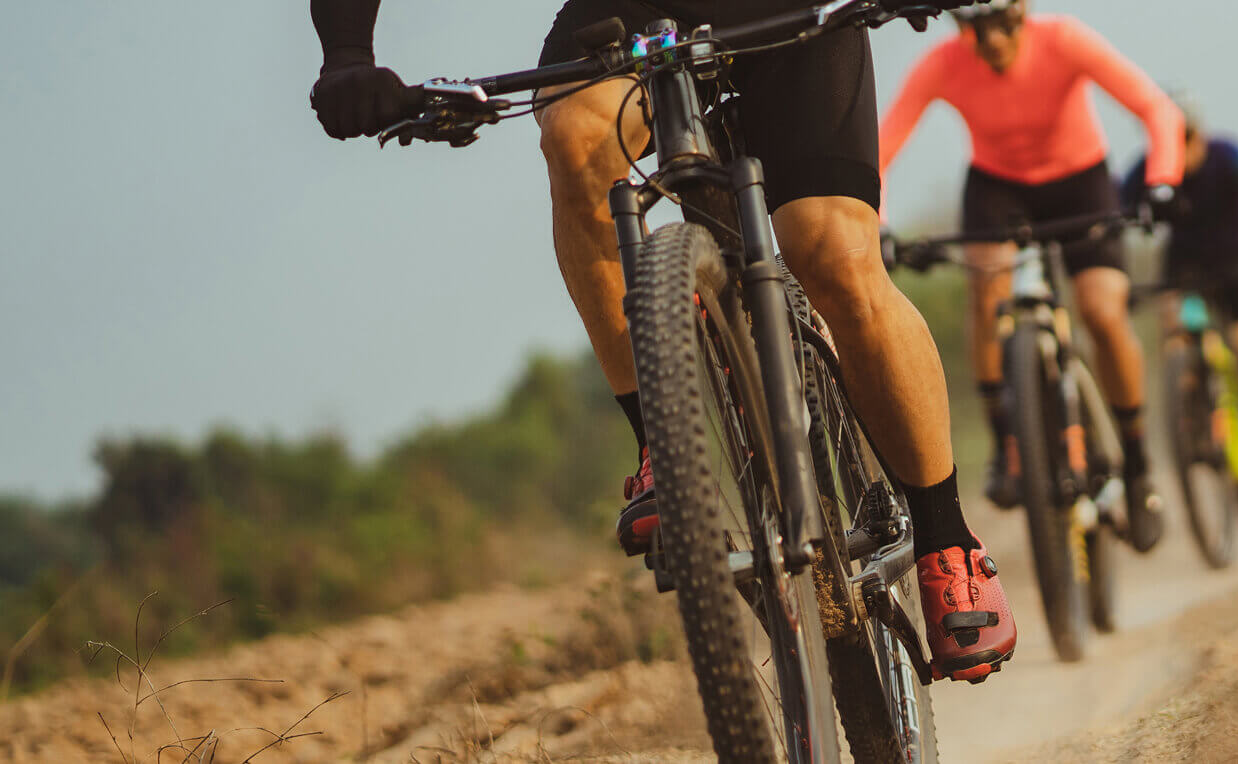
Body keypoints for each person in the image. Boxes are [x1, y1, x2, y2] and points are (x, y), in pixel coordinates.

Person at [304, 0, 1018, 683]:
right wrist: (346, 54)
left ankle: (946, 539)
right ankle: (662, 449)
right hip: (629, 8)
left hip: (799, 7)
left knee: (832, 251)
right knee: (575, 143)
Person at [879, 0, 1184, 552]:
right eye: (975, 29)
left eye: (1003, 25)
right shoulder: (942, 64)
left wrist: (1162, 181)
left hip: (1080, 182)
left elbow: (1157, 108)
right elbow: (881, 147)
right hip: (999, 188)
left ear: (1022, 14)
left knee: (1100, 310)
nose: (992, 41)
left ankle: (1137, 464)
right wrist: (878, 224)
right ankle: (1006, 443)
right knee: (987, 284)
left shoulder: (1064, 39)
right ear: (958, 27)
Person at [1119, 115, 1238, 498]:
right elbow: (1116, 219)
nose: (1180, 147)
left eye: (1186, 135)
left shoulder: (1228, 155)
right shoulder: (1147, 169)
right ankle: (1194, 415)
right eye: (1167, 138)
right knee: (1174, 340)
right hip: (1184, 272)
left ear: (1199, 131)